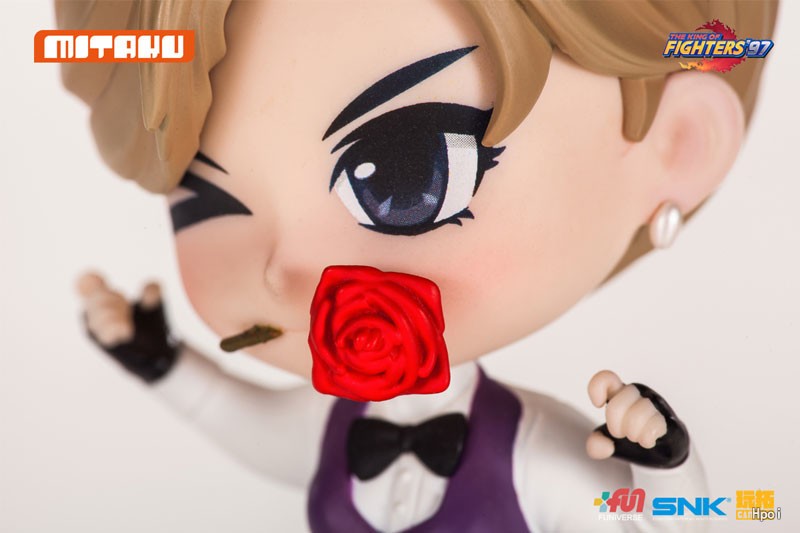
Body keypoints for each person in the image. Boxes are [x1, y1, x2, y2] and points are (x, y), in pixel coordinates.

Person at [58, 0, 778, 530]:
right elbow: (244, 424)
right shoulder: (332, 428)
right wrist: (162, 363)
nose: (282, 272)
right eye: (203, 200)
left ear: (680, 143)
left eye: (405, 178)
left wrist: (666, 466)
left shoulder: (527, 453)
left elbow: (673, 519)